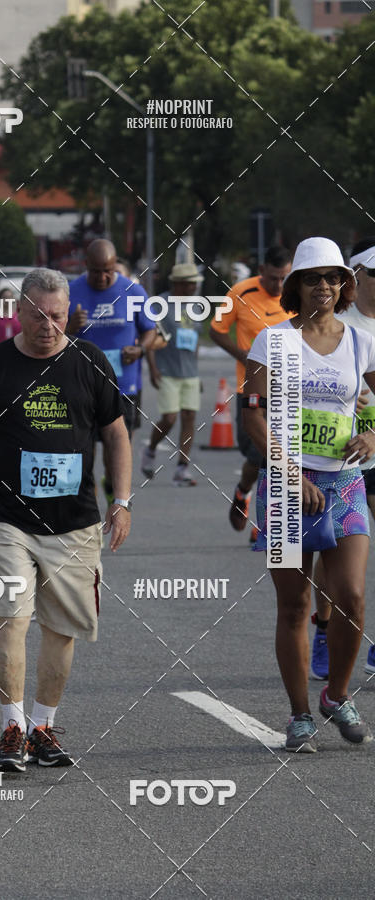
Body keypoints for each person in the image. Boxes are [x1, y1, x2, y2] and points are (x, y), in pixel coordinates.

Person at [0, 268, 131, 772]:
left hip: (76, 522)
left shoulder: (90, 361)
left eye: (59, 316)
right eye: (39, 315)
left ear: (70, 314)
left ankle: (42, 725)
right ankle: (12, 728)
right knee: (12, 619)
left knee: (63, 630)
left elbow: (116, 435)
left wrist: (123, 500)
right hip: (8, 520)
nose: (49, 326)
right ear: (19, 312)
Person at [244, 236, 375, 752]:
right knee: (296, 606)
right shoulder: (273, 341)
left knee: (352, 598)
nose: (324, 286)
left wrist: (372, 433)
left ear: (345, 284)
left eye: (333, 277)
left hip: (344, 483)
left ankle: (337, 695)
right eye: (313, 277)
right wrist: (291, 474)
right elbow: (251, 414)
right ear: (296, 284)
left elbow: (371, 402)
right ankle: (300, 715)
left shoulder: (361, 341)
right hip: (284, 486)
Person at [309, 236, 375, 679]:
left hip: (373, 452)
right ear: (356, 276)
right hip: (333, 462)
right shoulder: (339, 322)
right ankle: (323, 626)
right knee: (325, 549)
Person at [210, 247, 293, 538]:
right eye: (273, 278)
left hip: (290, 390)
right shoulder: (239, 292)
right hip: (252, 390)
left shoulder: (297, 293)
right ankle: (243, 491)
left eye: (284, 278)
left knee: (278, 455)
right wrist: (244, 356)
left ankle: (266, 521)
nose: (279, 286)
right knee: (259, 455)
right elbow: (216, 330)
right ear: (261, 269)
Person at [67, 239, 155, 501]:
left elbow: (150, 331)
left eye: (108, 270)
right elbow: (51, 335)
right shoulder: (71, 291)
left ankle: (114, 497)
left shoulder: (133, 291)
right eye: (96, 271)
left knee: (115, 448)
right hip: (82, 385)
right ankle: (88, 509)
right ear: (86, 266)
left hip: (124, 386)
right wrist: (70, 326)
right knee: (83, 452)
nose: (103, 277)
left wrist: (139, 350)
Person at [142, 263, 204, 485]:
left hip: (189, 372)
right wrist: (152, 368)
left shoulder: (197, 307)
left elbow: (195, 339)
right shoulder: (161, 304)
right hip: (167, 369)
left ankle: (182, 468)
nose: (194, 287)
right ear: (177, 283)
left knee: (189, 417)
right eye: (189, 283)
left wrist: (197, 372)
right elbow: (150, 336)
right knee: (169, 418)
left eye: (195, 283)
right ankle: (150, 450)